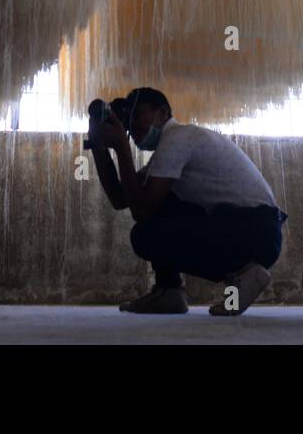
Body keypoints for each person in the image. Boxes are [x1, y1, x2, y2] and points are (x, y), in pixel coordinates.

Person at [88, 87, 287, 315]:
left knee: (144, 234)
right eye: (127, 119)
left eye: (137, 114)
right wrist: (98, 146)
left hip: (254, 231)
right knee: (159, 204)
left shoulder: (178, 139)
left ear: (163, 113)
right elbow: (120, 198)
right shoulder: (172, 147)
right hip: (253, 229)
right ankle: (169, 292)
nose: (131, 124)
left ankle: (243, 270)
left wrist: (122, 148)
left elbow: (141, 211)